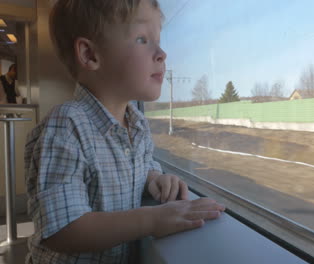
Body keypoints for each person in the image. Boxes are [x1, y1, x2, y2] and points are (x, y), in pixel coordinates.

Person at [24, 0, 225, 263]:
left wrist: (153, 178)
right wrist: (153, 219)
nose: (162, 53)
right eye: (143, 39)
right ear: (90, 55)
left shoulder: (138, 124)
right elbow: (62, 230)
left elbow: (136, 167)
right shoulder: (66, 125)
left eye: (159, 40)